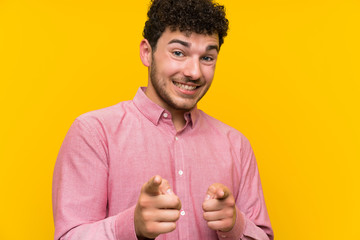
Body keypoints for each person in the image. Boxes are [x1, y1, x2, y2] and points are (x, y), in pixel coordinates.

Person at [52, 0, 274, 239]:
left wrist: (235, 225)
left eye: (207, 58)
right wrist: (131, 225)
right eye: (178, 53)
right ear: (147, 53)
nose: (194, 72)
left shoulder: (236, 145)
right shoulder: (94, 133)